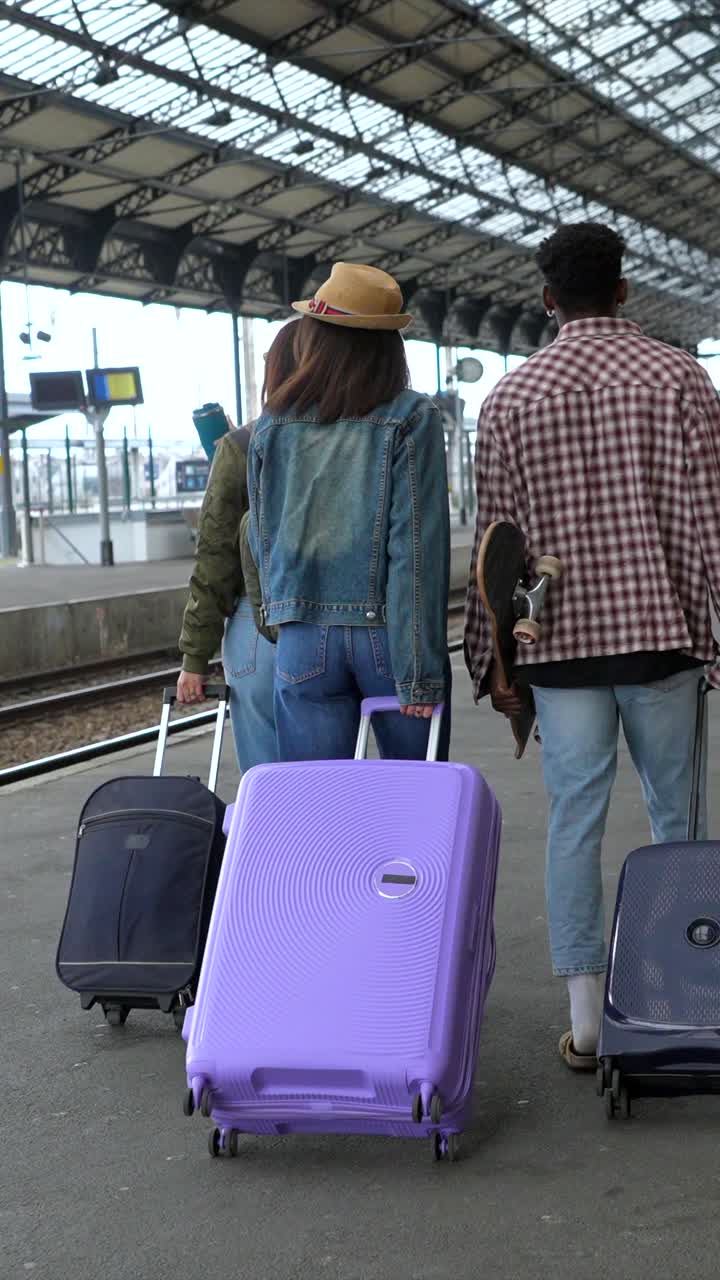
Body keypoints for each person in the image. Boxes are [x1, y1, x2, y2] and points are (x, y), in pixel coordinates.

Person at [464, 222, 720, 1069]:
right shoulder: (680, 379)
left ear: (547, 301)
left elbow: (495, 546)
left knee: (574, 822)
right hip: (662, 641)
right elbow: (709, 524)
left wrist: (486, 654)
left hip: (561, 648)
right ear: (623, 291)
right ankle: (678, 997)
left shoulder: (508, 398)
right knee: (674, 823)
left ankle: (584, 1022)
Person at [247, 261, 451, 762]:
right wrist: (418, 672)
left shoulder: (273, 424)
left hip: (302, 639)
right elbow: (415, 551)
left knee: (319, 808)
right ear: (386, 346)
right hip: (387, 639)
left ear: (314, 336)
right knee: (412, 807)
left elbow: (259, 537)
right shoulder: (410, 417)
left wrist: (286, 619)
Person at [176, 322, 297, 772]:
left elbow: (215, 560)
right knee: (330, 778)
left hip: (256, 624)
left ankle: (271, 844)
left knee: (266, 777)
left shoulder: (241, 444)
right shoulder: (357, 440)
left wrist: (195, 657)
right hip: (338, 623)